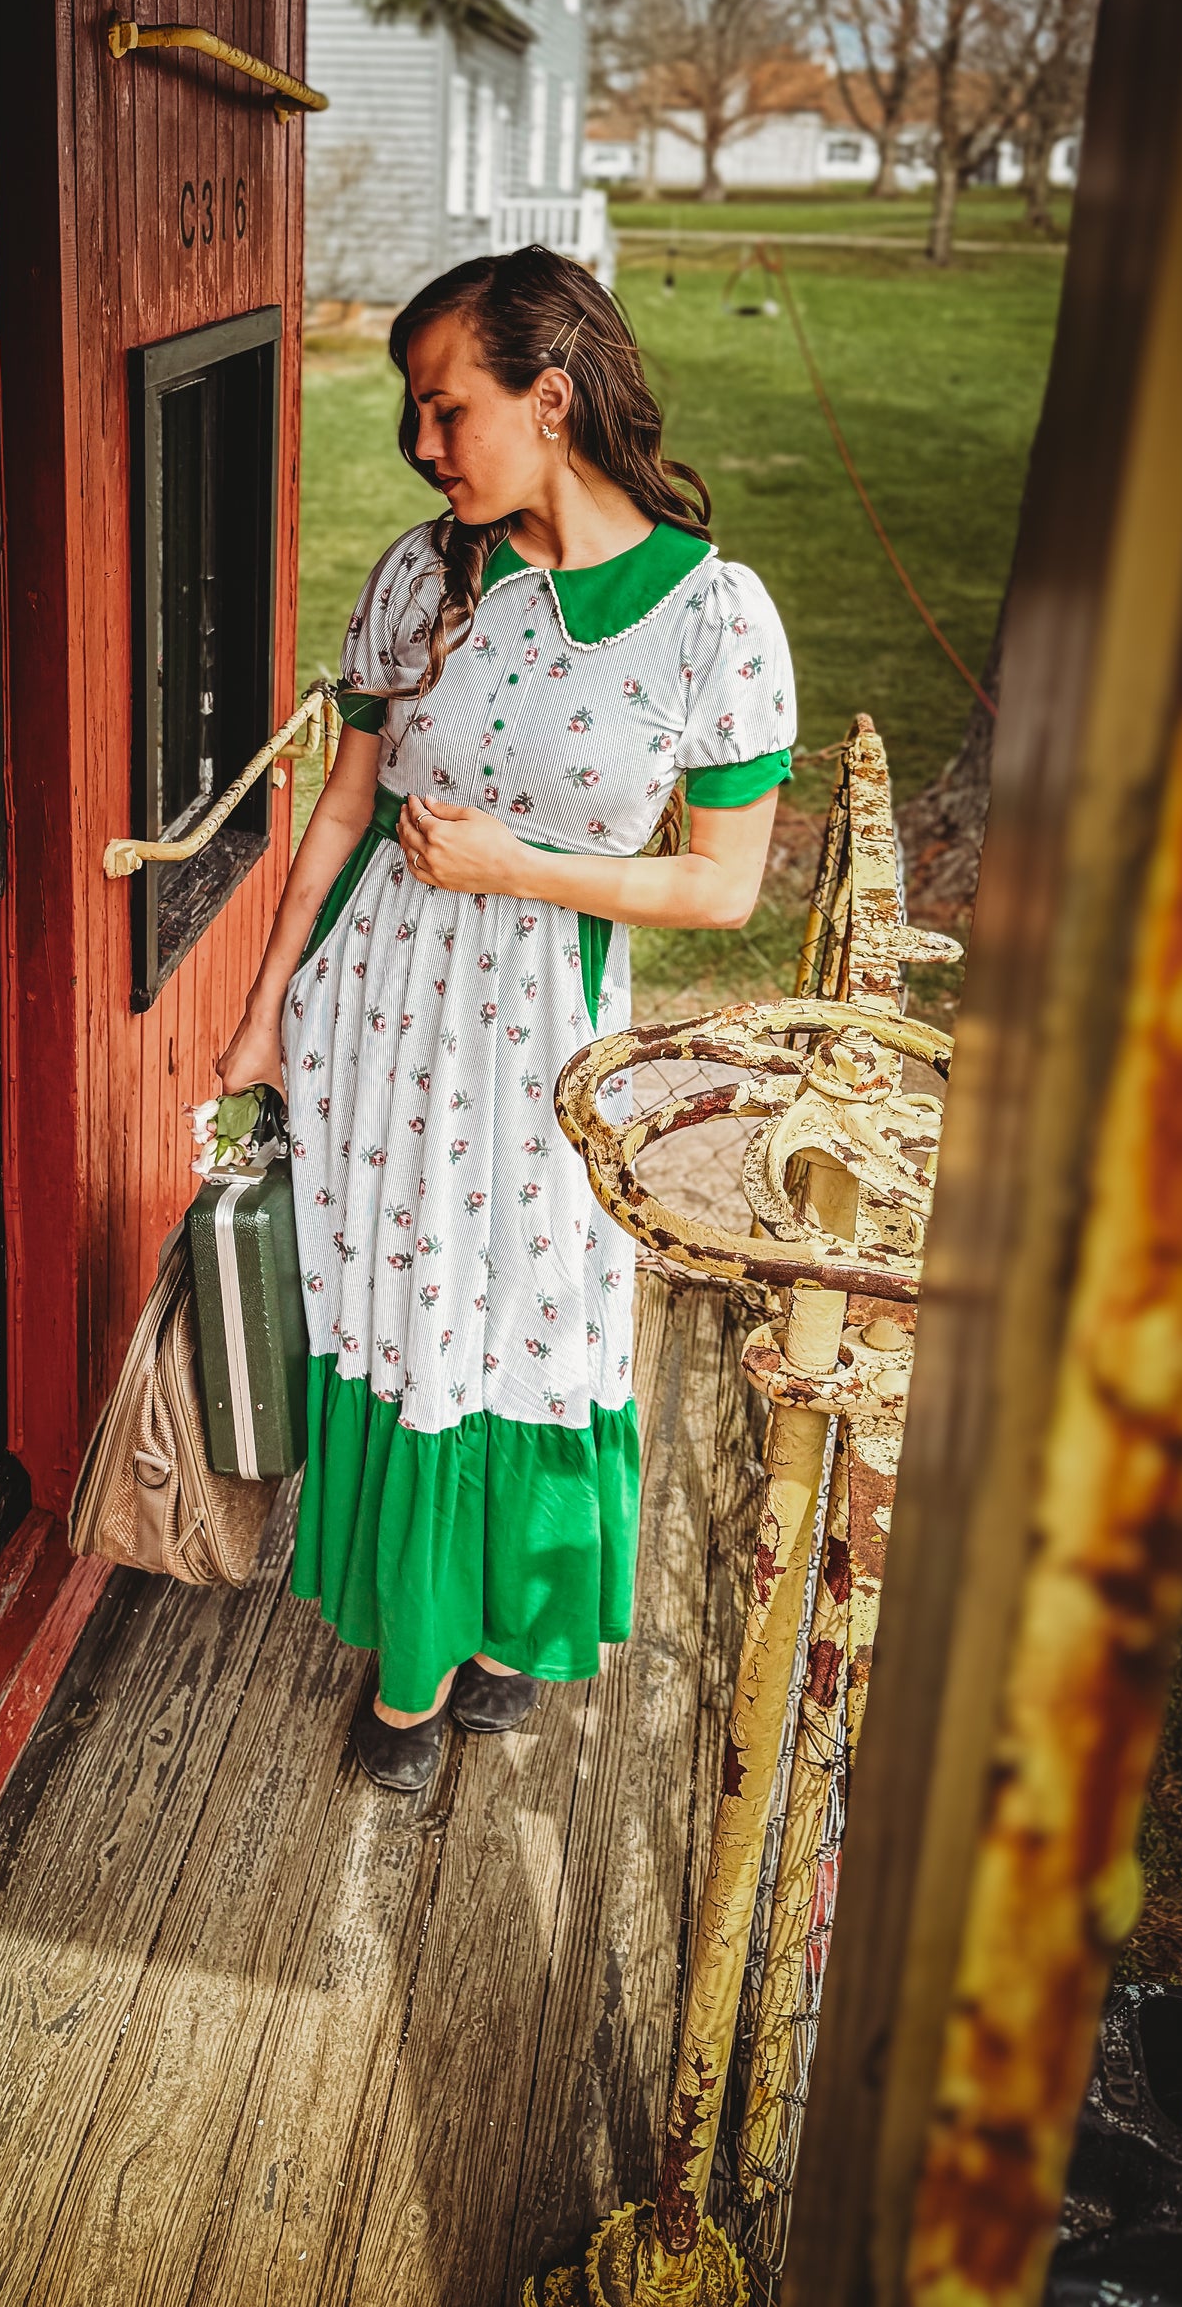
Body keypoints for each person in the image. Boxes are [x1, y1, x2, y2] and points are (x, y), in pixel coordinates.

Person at [216, 246, 796, 1790]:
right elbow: (340, 817)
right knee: (401, 1322)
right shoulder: (422, 575)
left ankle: (507, 1629)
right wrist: (266, 1012)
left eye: (441, 406)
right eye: (415, 411)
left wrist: (516, 864)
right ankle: (407, 1664)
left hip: (547, 1036)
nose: (420, 442)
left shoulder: (711, 617)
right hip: (378, 1019)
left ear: (550, 398)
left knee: (533, 1316)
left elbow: (721, 890)